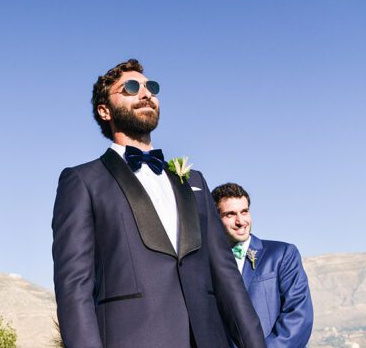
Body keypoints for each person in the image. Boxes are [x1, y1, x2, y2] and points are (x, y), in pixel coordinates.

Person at [52, 59, 265, 348]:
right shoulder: (82, 181)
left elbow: (226, 277)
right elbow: (74, 288)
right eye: (130, 87)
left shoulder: (194, 181)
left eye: (150, 87)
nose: (145, 93)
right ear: (105, 111)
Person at [212, 183, 313, 347]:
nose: (241, 221)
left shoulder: (283, 254)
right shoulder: (207, 263)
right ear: (215, 219)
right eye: (230, 214)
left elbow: (298, 315)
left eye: (244, 212)